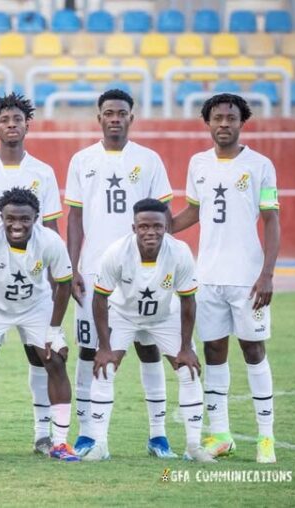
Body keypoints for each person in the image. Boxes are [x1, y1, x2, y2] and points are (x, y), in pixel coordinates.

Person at [65, 89, 177, 458]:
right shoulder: (82, 160)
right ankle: (88, 434)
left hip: (142, 273)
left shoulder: (149, 160)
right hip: (94, 270)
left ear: (132, 117)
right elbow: (75, 217)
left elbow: (164, 221)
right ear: (99, 117)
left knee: (148, 347)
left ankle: (158, 436)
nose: (115, 118)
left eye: (121, 112)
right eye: (109, 112)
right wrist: (72, 266)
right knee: (90, 349)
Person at [172, 93, 280, 463]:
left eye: (230, 118)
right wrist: (159, 227)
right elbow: (194, 211)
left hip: (248, 279)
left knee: (253, 350)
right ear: (207, 122)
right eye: (217, 118)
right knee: (214, 352)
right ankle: (221, 436)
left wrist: (267, 274)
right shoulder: (198, 163)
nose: (223, 124)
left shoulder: (261, 165)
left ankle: (266, 438)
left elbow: (272, 220)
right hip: (207, 277)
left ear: (241, 122)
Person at [0, 93, 63, 455]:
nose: (11, 125)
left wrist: (53, 280)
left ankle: (43, 434)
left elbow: (51, 228)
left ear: (26, 125)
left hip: (34, 286)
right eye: (4, 120)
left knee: (42, 357)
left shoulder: (43, 172)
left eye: (17, 119)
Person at [82, 198, 214, 462]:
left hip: (164, 317)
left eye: (157, 226)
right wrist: (105, 347)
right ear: (134, 228)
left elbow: (188, 301)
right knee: (105, 368)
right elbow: (100, 299)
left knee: (188, 370)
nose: (150, 232)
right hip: (123, 315)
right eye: (143, 226)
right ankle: (100, 445)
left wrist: (186, 347)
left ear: (166, 227)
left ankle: (193, 447)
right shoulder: (116, 252)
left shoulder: (180, 253)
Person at [0, 188, 78, 463]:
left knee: (55, 360)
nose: (17, 225)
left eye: (25, 219)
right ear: (1, 217)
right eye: (10, 218)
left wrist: (53, 330)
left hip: (36, 305)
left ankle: (60, 442)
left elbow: (64, 286)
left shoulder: (50, 241)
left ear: (36, 218)